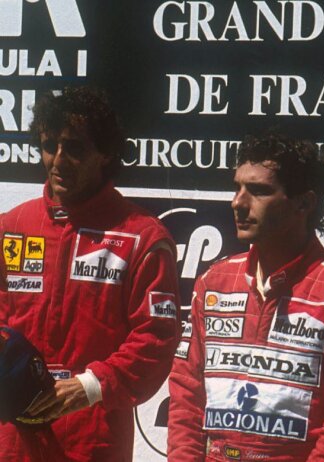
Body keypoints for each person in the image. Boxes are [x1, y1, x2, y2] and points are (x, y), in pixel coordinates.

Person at [167, 133, 324, 461]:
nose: (238, 202)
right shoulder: (214, 282)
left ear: (304, 203)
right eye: (237, 187)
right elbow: (186, 398)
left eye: (258, 190)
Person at [0, 86, 180, 461]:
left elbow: (156, 338)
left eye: (75, 147)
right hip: (12, 440)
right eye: (49, 145)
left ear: (106, 153)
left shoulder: (142, 236)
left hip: (90, 441)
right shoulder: (12, 226)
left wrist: (92, 385)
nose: (58, 161)